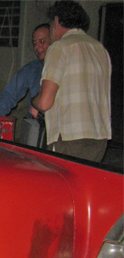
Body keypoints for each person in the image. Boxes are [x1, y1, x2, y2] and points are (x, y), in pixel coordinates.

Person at [31, 0, 111, 162]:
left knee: (59, 186)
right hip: (99, 137)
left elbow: (45, 102)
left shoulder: (60, 47)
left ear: (57, 20)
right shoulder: (99, 49)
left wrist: (34, 103)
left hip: (69, 137)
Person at [0, 23, 50, 117]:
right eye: (34, 43)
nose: (37, 47)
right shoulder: (32, 69)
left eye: (42, 41)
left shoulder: (63, 66)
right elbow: (10, 94)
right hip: (36, 124)